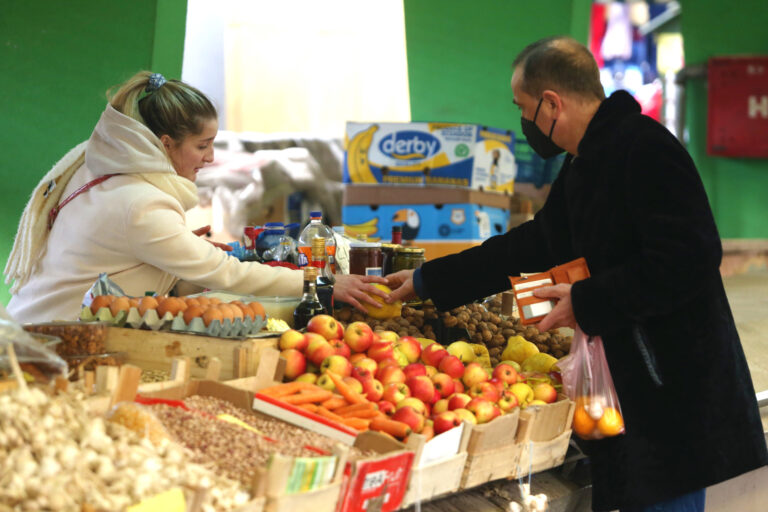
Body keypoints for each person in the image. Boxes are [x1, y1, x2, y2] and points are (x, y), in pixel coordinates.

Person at [387, 36, 767, 512]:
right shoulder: (584, 164)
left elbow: (690, 257)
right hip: (624, 393)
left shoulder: (645, 149)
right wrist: (427, 281)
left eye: (523, 109)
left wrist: (587, 301)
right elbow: (533, 242)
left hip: (674, 396)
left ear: (551, 103)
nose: (524, 123)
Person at [4, 71, 385, 323]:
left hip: (34, 323)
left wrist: (185, 249)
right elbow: (226, 273)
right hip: (50, 341)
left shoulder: (102, 168)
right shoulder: (140, 203)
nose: (211, 158)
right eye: (202, 145)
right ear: (165, 144)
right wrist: (320, 281)